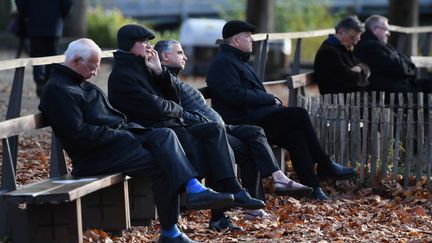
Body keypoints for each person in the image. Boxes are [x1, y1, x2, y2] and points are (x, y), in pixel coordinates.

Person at [39, 38, 236, 243]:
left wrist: (128, 133)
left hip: (118, 143)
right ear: (76, 61)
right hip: (96, 156)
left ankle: (193, 189)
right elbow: (78, 135)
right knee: (163, 162)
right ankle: (171, 231)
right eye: (92, 67)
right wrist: (123, 135)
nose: (95, 73)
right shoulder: (58, 90)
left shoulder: (79, 83)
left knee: (165, 135)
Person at [154, 39, 313, 230]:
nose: (185, 56)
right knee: (237, 149)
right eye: (180, 53)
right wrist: (205, 121)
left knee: (254, 132)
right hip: (208, 130)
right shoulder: (164, 81)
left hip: (220, 125)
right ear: (164, 56)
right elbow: (176, 112)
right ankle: (225, 214)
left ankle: (277, 179)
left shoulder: (173, 79)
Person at [107, 24, 265, 212]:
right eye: (144, 42)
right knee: (212, 148)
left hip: (171, 124)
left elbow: (173, 98)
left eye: (149, 42)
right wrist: (178, 110)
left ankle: (233, 190)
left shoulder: (146, 67)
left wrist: (160, 72)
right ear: (130, 45)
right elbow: (156, 106)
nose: (150, 47)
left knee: (215, 130)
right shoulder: (122, 75)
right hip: (154, 130)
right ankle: (217, 210)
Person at [206, 20, 358, 201]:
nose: (252, 40)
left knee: (296, 135)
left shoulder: (236, 61)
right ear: (236, 41)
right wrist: (269, 99)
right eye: (248, 37)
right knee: (298, 115)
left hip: (254, 116)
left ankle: (314, 188)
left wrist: (268, 102)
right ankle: (325, 164)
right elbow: (233, 95)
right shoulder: (223, 63)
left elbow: (244, 93)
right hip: (242, 122)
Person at [354, 15, 431, 93]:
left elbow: (402, 60)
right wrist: (403, 62)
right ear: (375, 29)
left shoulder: (379, 45)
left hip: (398, 88)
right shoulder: (369, 46)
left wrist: (401, 61)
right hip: (390, 93)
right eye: (386, 29)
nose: (389, 33)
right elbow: (399, 67)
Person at [15, 0, 73, 97]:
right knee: (53, 55)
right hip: (54, 22)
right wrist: (61, 13)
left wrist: (26, 13)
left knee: (36, 54)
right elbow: (68, 3)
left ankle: (40, 79)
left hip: (35, 20)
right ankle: (49, 82)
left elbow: (20, 2)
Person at [314, 16, 370, 94]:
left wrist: (360, 68)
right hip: (337, 102)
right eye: (352, 37)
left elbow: (366, 67)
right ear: (341, 32)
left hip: (351, 99)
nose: (355, 42)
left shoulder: (343, 48)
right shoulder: (328, 52)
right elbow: (351, 80)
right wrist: (363, 76)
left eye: (357, 39)